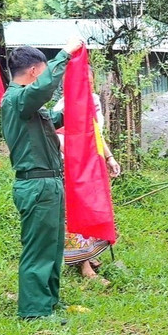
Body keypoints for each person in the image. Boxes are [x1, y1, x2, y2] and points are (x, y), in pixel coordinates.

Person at [1, 38, 83, 320]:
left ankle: (48, 302)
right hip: (36, 184)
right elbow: (45, 89)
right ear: (36, 71)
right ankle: (34, 311)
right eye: (45, 70)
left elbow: (54, 119)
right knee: (39, 249)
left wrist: (79, 103)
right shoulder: (17, 99)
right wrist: (65, 54)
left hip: (48, 183)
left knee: (53, 245)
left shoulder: (28, 105)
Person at [52, 93, 121, 285]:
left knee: (93, 214)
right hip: (73, 177)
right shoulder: (61, 121)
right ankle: (83, 266)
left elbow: (96, 135)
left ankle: (88, 255)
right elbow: (67, 148)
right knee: (76, 217)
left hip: (91, 175)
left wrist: (109, 158)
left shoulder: (90, 113)